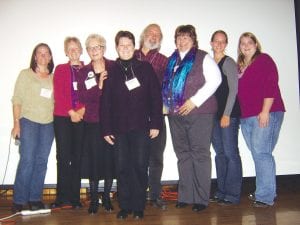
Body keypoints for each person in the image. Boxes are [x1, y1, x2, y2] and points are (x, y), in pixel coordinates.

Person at [101, 30, 163, 220]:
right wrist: (106, 129)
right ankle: (125, 206)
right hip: (119, 129)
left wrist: (156, 123)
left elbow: (155, 97)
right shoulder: (110, 70)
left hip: (141, 127)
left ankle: (138, 206)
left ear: (134, 47)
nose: (125, 48)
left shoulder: (145, 68)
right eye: (121, 45)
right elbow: (106, 102)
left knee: (139, 165)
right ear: (117, 48)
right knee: (122, 167)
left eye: (129, 45)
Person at [162, 25, 221, 212]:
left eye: (186, 37)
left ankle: (201, 199)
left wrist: (194, 101)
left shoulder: (203, 57)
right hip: (175, 115)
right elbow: (167, 85)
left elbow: (216, 80)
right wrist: (166, 102)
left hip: (200, 113)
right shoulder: (172, 60)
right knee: (183, 155)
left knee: (200, 155)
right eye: (179, 37)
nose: (182, 41)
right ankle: (186, 196)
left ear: (193, 40)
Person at [237, 32, 285, 207]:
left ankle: (265, 196)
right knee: (259, 153)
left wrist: (265, 111)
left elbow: (271, 85)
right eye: (242, 43)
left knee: (262, 153)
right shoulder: (240, 66)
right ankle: (264, 191)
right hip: (246, 116)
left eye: (250, 42)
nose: (246, 45)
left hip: (266, 113)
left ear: (256, 45)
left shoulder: (264, 60)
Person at [11, 43, 55, 212]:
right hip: (28, 121)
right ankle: (19, 200)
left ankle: (35, 198)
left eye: (46, 53)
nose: (43, 56)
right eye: (40, 53)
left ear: (50, 57)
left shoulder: (53, 77)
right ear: (35, 57)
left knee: (41, 161)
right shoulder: (25, 75)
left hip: (48, 124)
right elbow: (17, 100)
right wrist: (16, 124)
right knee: (27, 159)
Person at [77, 34, 115, 214]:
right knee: (93, 161)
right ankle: (93, 200)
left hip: (111, 122)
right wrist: (99, 86)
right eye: (90, 48)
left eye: (97, 47)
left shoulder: (114, 66)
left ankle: (107, 197)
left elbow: (119, 95)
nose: (94, 50)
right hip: (92, 122)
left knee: (109, 160)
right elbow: (83, 97)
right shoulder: (83, 72)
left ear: (103, 48)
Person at [135, 23, 168, 208]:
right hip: (134, 117)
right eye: (150, 33)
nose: (154, 36)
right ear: (143, 35)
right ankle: (138, 193)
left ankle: (154, 195)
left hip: (157, 115)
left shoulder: (165, 60)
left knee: (156, 157)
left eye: (158, 34)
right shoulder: (131, 56)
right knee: (137, 157)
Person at [209, 30, 242, 205]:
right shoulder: (208, 62)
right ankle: (221, 192)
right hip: (214, 116)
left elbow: (234, 90)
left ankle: (232, 195)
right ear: (211, 43)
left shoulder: (228, 62)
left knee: (230, 153)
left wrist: (226, 114)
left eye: (222, 41)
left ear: (226, 44)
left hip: (228, 115)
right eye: (216, 41)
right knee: (220, 154)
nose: (219, 44)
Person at [51, 37, 85, 209]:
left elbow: (91, 94)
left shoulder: (88, 70)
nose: (73, 51)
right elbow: (59, 93)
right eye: (69, 49)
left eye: (76, 48)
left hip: (81, 117)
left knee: (77, 157)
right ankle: (61, 197)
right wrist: (71, 112)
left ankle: (75, 198)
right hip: (62, 117)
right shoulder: (61, 69)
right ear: (66, 52)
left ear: (81, 50)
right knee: (63, 157)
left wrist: (81, 111)